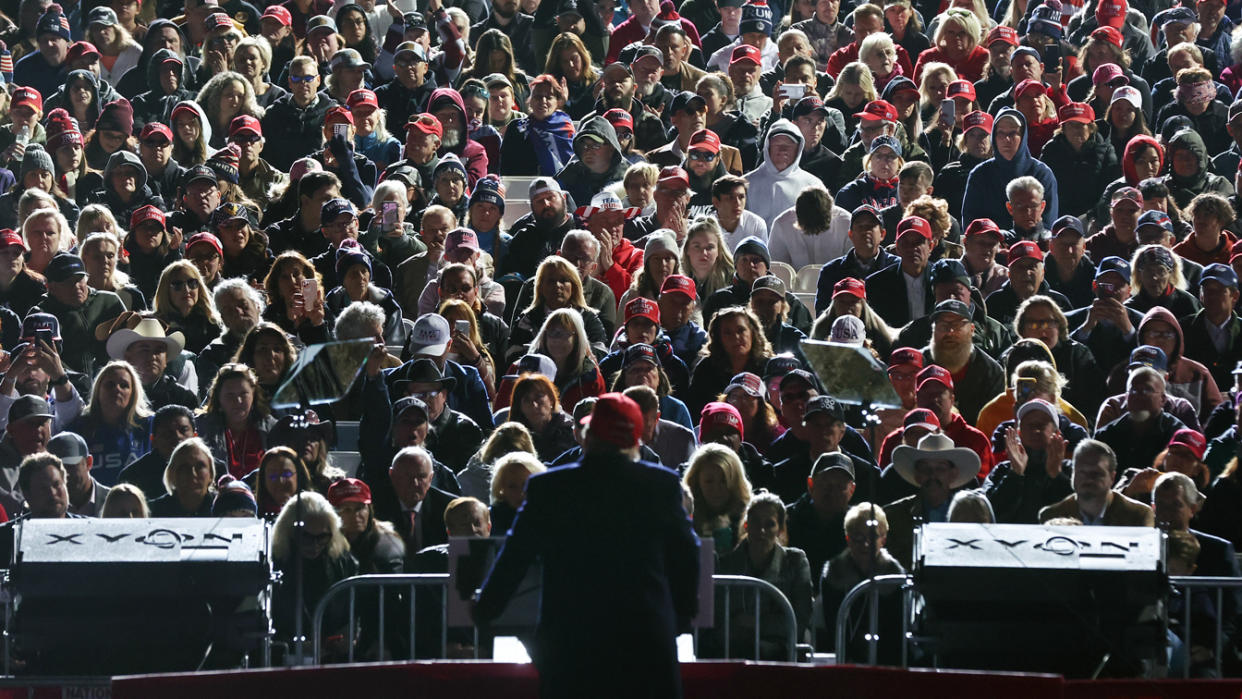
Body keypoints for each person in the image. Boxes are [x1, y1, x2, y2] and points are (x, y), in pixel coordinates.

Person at [475, 393, 699, 698]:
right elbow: (687, 554)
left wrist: (485, 610)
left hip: (570, 644)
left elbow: (515, 557)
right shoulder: (661, 486)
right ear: (635, 439)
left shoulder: (549, 488)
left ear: (588, 435)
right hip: (645, 640)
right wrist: (681, 618)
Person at [270, 491, 359, 662]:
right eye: (306, 537)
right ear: (290, 532)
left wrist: (347, 636)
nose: (315, 545)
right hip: (285, 659)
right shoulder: (274, 563)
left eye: (322, 537)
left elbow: (355, 610)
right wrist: (290, 644)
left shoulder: (342, 561)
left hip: (333, 657)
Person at [883, 432, 981, 569]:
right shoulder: (892, 516)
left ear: (953, 474)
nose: (932, 475)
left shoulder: (971, 515)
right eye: (925, 469)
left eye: (940, 468)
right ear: (917, 475)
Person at [1038, 438, 1156, 526]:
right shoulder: (1051, 515)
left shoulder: (1139, 515)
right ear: (1073, 473)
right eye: (1081, 472)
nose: (1088, 478)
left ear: (1112, 477)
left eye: (1096, 473)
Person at [147, 437, 216, 516]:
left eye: (200, 466)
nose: (192, 474)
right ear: (172, 474)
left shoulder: (224, 508)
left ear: (211, 473)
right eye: (184, 468)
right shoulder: (152, 512)